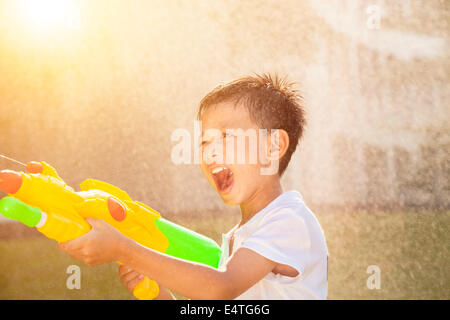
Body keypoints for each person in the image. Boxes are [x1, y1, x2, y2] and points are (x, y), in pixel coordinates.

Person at [59, 74, 329, 300]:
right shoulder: (241, 236)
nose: (210, 153)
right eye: (204, 142)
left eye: (226, 137)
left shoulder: (289, 221)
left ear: (272, 147)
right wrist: (158, 293)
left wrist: (124, 249)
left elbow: (221, 287)